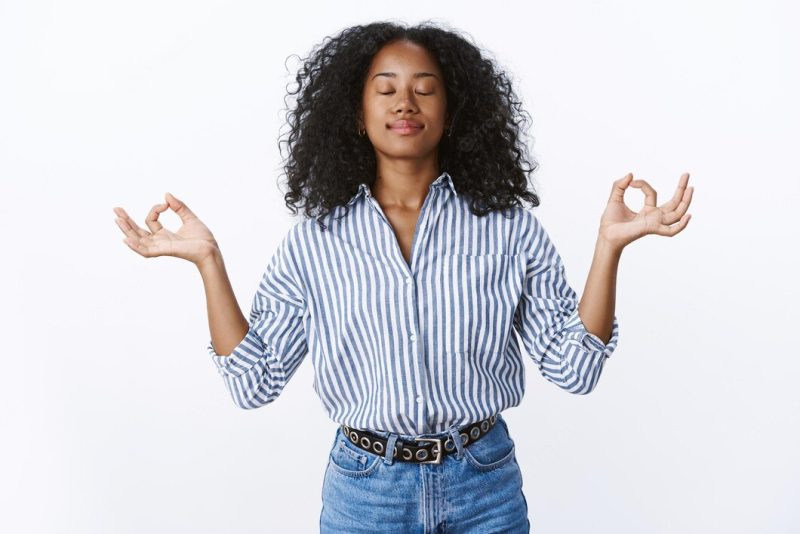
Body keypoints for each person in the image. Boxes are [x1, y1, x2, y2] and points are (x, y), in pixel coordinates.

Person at [113, 20, 694, 534]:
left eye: (425, 88)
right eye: (385, 89)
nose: (405, 103)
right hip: (365, 494)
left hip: (483, 485)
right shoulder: (318, 238)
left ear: (453, 110)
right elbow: (254, 382)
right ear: (357, 116)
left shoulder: (507, 228)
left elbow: (575, 369)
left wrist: (608, 247)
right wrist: (209, 263)